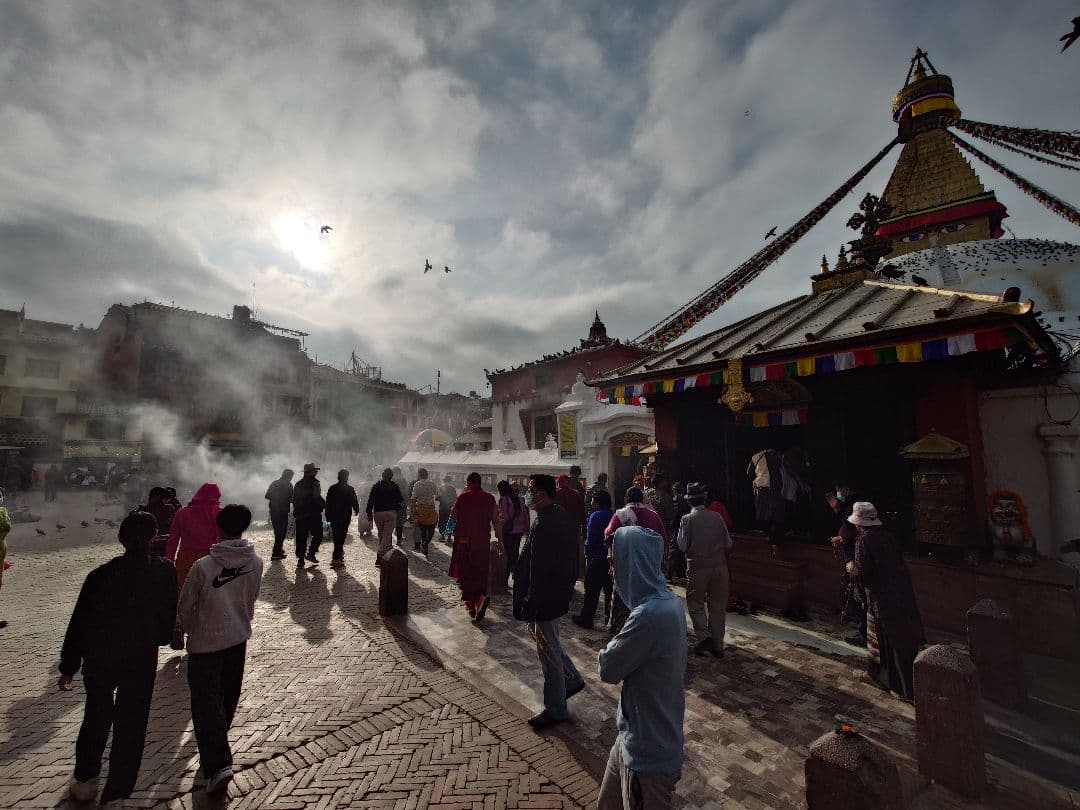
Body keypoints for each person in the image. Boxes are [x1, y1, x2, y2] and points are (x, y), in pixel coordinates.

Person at [59, 512, 177, 806]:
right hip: (140, 658)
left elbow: (80, 623)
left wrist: (68, 666)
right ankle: (118, 793)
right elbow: (166, 625)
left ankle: (86, 779)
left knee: (96, 716)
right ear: (154, 537)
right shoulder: (165, 572)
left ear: (121, 539)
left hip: (101, 657)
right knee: (132, 724)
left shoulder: (99, 576)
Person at [597, 519, 686, 810]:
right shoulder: (669, 604)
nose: (612, 572)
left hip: (647, 757)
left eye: (616, 563)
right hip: (630, 739)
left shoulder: (649, 615)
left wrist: (608, 647)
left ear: (633, 564)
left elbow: (608, 668)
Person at [178, 504, 263, 795]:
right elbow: (251, 598)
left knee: (206, 704)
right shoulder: (256, 562)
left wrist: (190, 630)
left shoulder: (204, 566)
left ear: (219, 529)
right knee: (227, 699)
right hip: (238, 638)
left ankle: (217, 764)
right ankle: (217, 752)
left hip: (205, 644)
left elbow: (185, 608)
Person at [514, 474, 584, 729]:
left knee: (548, 653)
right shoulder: (555, 516)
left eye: (531, 490)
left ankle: (556, 708)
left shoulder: (547, 523)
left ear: (542, 494)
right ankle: (573, 678)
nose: (527, 494)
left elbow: (541, 568)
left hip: (545, 596)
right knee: (548, 641)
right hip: (554, 593)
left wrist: (531, 598)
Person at [846, 502, 925, 701]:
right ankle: (889, 680)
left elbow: (862, 572)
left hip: (880, 599)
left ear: (859, 524)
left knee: (886, 643)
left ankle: (897, 685)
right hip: (900, 595)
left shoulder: (863, 541)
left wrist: (850, 568)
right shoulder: (887, 537)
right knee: (894, 641)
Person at [678, 483, 732, 657]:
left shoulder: (687, 520)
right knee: (718, 606)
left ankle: (704, 635)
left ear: (689, 502)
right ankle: (718, 645)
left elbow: (682, 545)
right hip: (720, 566)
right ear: (704, 498)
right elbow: (728, 544)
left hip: (697, 567)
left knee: (695, 603)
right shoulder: (717, 517)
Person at [166, 483, 222, 650]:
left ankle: (179, 625)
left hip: (185, 560)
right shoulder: (218, 514)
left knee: (183, 594)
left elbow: (173, 540)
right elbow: (221, 539)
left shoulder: (182, 513)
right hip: (210, 560)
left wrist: (169, 560)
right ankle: (199, 633)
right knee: (206, 596)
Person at [604, 487, 667, 635]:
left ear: (626, 499)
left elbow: (608, 536)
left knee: (622, 596)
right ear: (642, 499)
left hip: (626, 565)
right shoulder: (654, 516)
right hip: (648, 566)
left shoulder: (620, 515)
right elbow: (663, 539)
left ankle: (619, 628)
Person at [450, 473, 501, 623]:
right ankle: (480, 600)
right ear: (480, 483)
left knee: (466, 575)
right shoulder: (490, 498)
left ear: (469, 483)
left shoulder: (463, 497)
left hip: (465, 542)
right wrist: (501, 542)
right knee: (480, 573)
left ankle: (473, 605)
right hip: (482, 542)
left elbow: (453, 514)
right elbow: (496, 522)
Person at [827, 483, 865, 646]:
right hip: (850, 556)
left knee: (857, 594)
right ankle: (863, 629)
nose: (839, 493)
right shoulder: (849, 506)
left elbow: (853, 531)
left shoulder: (857, 507)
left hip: (857, 561)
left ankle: (865, 633)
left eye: (840, 490)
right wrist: (837, 509)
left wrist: (843, 539)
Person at [573, 489, 614, 629]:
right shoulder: (613, 514)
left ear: (597, 502)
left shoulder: (595, 516)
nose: (590, 502)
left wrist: (587, 553)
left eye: (592, 499)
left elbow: (591, 538)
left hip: (597, 557)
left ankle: (587, 618)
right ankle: (611, 620)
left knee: (591, 590)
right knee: (609, 591)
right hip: (610, 559)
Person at [366, 468, 403, 565]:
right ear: (391, 476)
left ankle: (384, 556)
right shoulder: (395, 486)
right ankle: (379, 557)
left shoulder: (376, 486)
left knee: (381, 535)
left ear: (382, 475)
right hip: (390, 513)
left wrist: (369, 514)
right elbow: (400, 499)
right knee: (386, 536)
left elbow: (370, 501)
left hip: (378, 513)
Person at [325, 469, 360, 569]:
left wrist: (327, 515)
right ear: (346, 477)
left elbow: (328, 503)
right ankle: (336, 558)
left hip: (334, 516)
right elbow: (354, 501)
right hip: (345, 516)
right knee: (341, 536)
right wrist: (356, 510)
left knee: (336, 536)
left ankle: (338, 555)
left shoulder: (332, 488)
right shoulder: (349, 488)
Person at [292, 463, 325, 566]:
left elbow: (294, 499)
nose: (316, 472)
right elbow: (317, 497)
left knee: (301, 537)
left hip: (301, 514)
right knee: (318, 535)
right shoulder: (315, 483)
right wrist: (325, 505)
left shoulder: (298, 484)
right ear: (310, 472)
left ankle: (301, 560)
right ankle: (311, 553)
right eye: (314, 471)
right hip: (313, 514)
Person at [497, 479, 528, 586]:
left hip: (508, 531)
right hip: (518, 531)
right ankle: (517, 576)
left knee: (507, 555)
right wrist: (525, 529)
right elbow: (524, 515)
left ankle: (505, 580)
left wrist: (497, 527)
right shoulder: (519, 499)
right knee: (514, 553)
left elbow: (504, 518)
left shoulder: (503, 500)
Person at [264, 469, 294, 561]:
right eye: (291, 476)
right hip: (282, 511)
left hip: (274, 511)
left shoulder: (274, 483)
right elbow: (292, 498)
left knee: (278, 531)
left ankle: (278, 550)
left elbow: (267, 495)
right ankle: (276, 552)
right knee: (281, 532)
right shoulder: (289, 485)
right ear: (289, 476)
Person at [409, 468, 439, 554]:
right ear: (427, 475)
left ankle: (423, 542)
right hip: (430, 508)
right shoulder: (432, 483)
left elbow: (413, 498)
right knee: (432, 527)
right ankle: (426, 542)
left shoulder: (417, 484)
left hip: (420, 509)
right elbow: (438, 495)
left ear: (419, 475)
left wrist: (413, 510)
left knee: (423, 527)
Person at [392, 467, 408, 545]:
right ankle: (399, 539)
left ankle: (389, 540)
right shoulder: (403, 480)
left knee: (390, 522)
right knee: (399, 522)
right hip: (401, 504)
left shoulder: (390, 480)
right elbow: (406, 492)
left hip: (391, 504)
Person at [438, 474, 457, 538]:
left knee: (442, 521)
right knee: (449, 521)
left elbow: (437, 497)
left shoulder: (441, 487)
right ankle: (449, 536)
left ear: (444, 481)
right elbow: (455, 498)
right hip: (450, 508)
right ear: (450, 481)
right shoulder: (453, 488)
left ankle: (442, 535)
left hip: (442, 507)